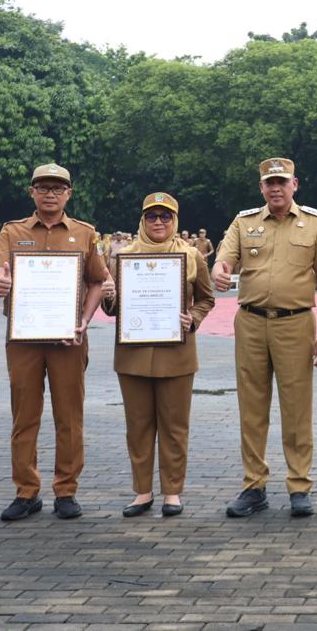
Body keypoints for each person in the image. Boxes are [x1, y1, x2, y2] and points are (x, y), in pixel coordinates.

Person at [211, 157, 317, 519]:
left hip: (295, 323)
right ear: (261, 188)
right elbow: (224, 261)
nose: (276, 188)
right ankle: (254, 486)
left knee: (297, 408)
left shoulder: (314, 223)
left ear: (295, 184)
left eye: (282, 182)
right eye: (270, 183)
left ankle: (299, 485)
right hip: (250, 323)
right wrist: (220, 272)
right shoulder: (244, 221)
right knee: (252, 407)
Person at [0, 163, 107, 521]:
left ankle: (66, 489)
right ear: (32, 192)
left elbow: (98, 282)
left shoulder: (85, 234)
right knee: (24, 415)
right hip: (24, 338)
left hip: (68, 339)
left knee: (69, 416)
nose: (51, 194)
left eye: (58, 188)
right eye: (43, 187)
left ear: (69, 193)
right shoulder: (13, 231)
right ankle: (26, 490)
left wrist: (84, 322)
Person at [100, 193, 214, 518]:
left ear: (175, 220)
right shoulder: (123, 257)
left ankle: (172, 492)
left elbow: (206, 299)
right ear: (143, 220)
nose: (159, 222)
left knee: (175, 427)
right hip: (133, 354)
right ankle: (142, 491)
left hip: (176, 355)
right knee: (137, 426)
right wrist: (109, 297)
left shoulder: (191, 256)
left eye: (165, 216)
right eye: (152, 216)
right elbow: (114, 308)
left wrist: (193, 318)